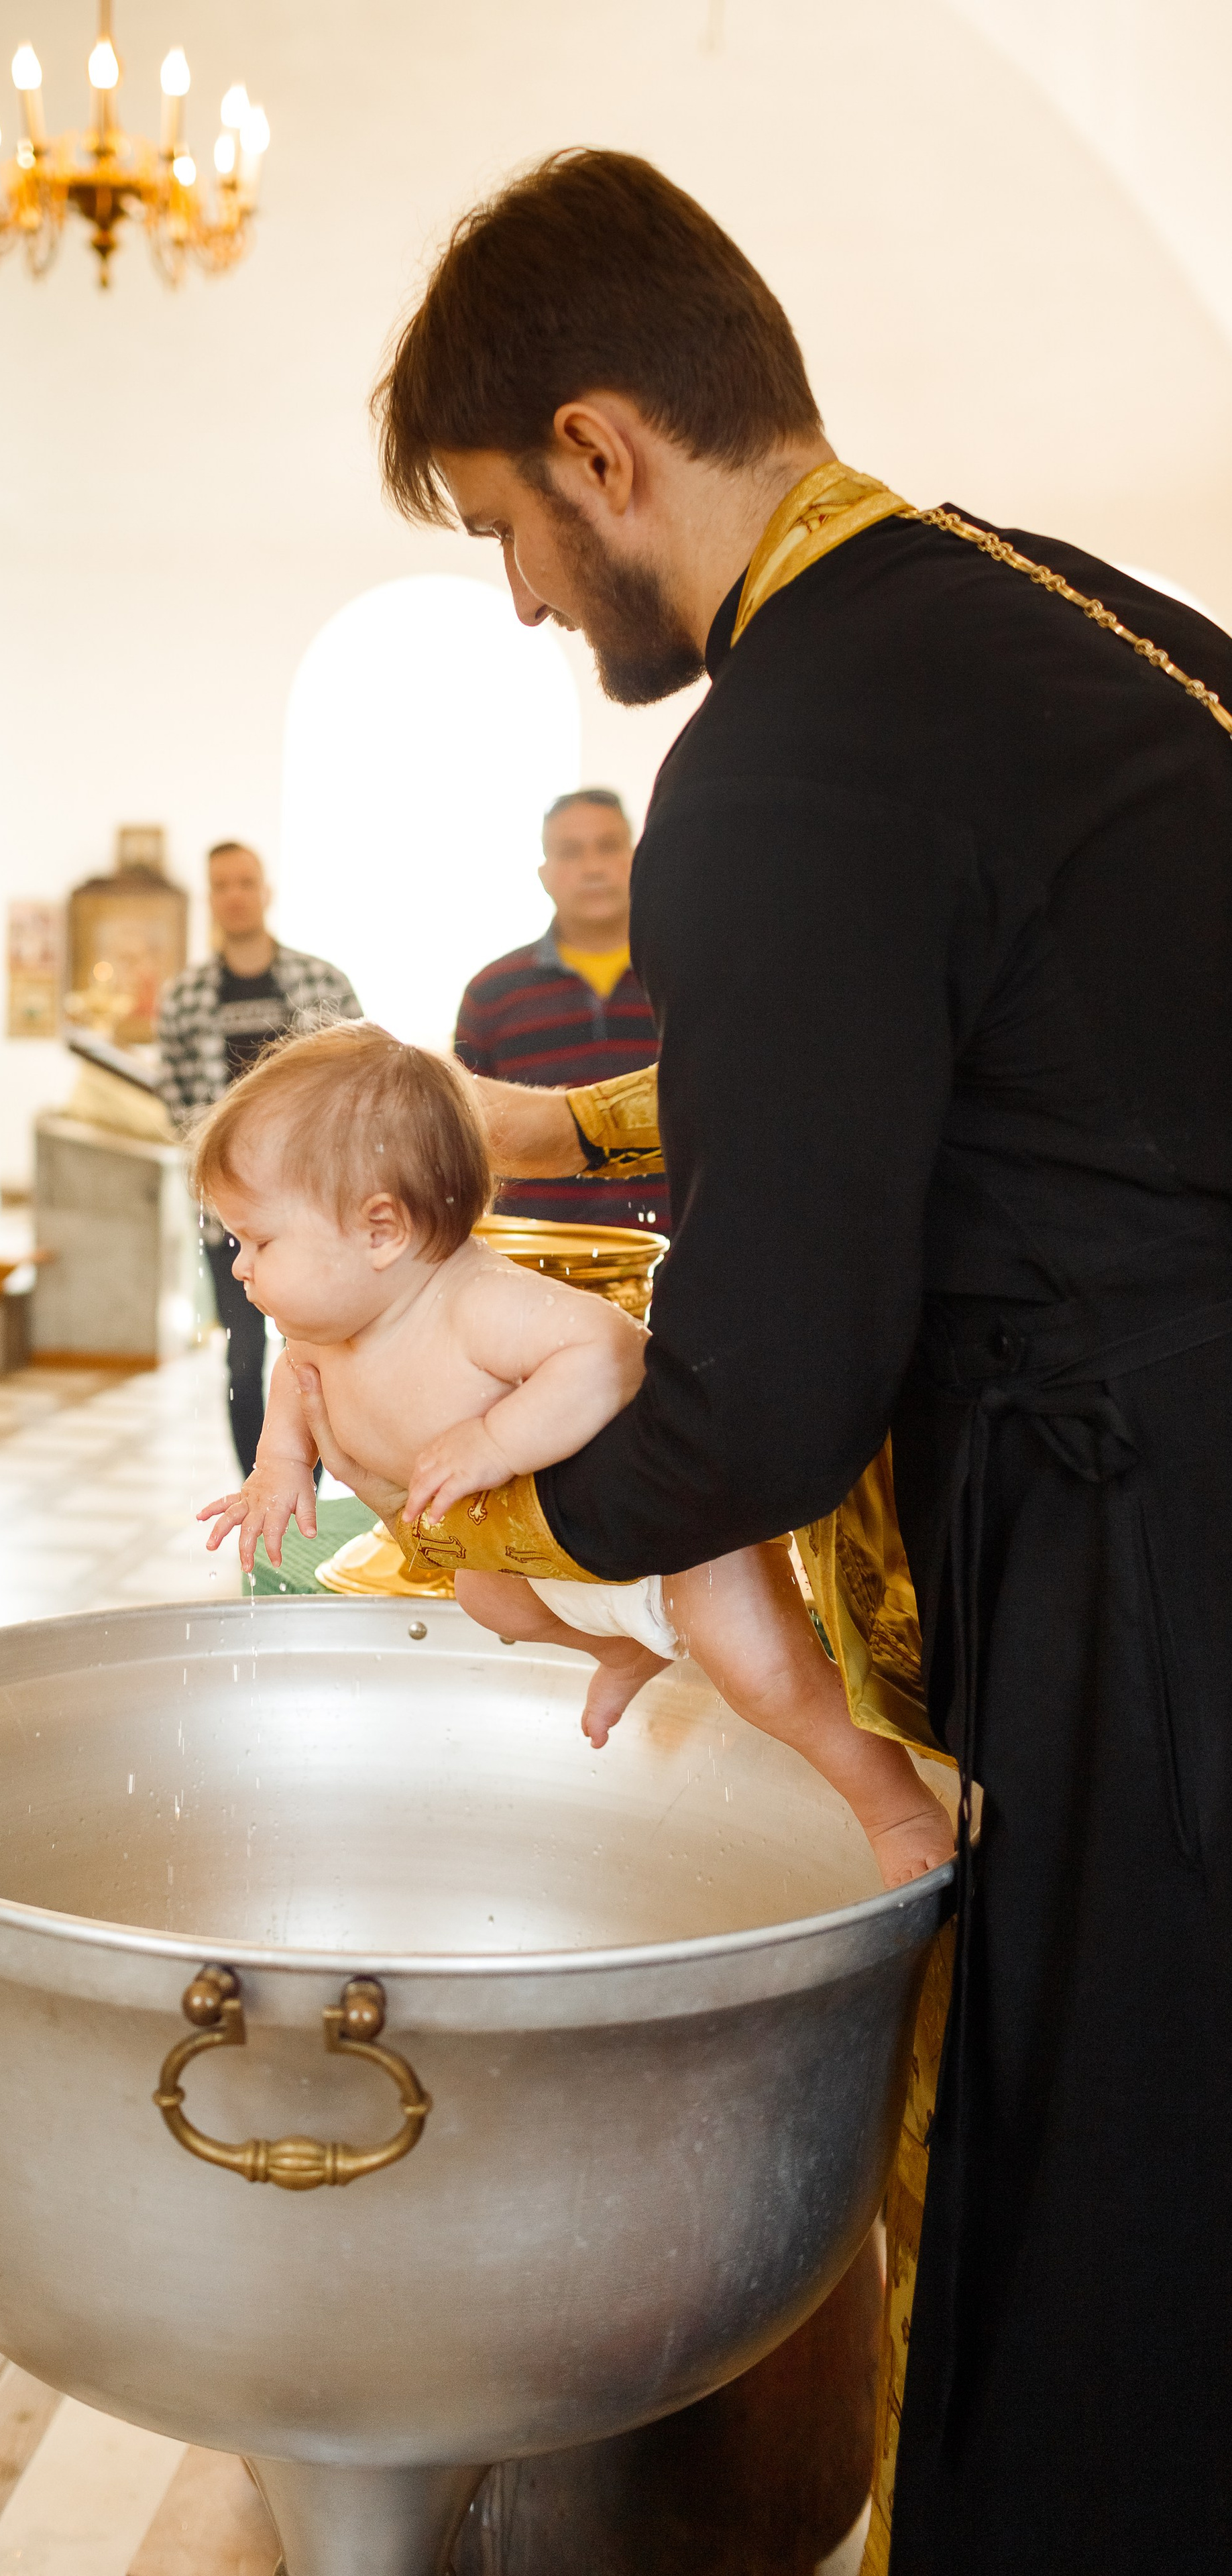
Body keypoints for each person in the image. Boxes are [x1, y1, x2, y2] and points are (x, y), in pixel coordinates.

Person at [306, 146, 1232, 2575]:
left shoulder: (778, 757)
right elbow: (981, 1034)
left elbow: (761, 1403)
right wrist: (555, 1120)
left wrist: (440, 1500)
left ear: (605, 449)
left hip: (1150, 1561)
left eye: (504, 522)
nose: (518, 596)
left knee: (1104, 2254)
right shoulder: (1028, 608)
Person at [192, 1021, 950, 1887]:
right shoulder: (325, 1330)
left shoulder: (475, 1303)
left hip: (664, 1529)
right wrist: (278, 1468)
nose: (241, 1267)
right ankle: (620, 1651)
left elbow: (609, 1352)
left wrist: (493, 1438)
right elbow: (298, 1386)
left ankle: (895, 1809)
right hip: (532, 1554)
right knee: (490, 1602)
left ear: (380, 1231)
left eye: (258, 1239)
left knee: (769, 1675)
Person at [156, 840, 358, 1475]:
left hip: (313, 1209)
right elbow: (180, 1103)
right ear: (210, 898)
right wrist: (230, 1173)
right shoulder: (184, 998)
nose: (234, 895)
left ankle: (311, 1487)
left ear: (266, 890)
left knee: (314, 1350)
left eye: (245, 882)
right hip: (230, 1216)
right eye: (221, 884)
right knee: (243, 1356)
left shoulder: (322, 983)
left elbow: (357, 1083)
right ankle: (260, 1482)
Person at [454, 789, 666, 1231]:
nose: (593, 867)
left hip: (684, 1245)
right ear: (544, 874)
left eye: (608, 846)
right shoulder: (492, 992)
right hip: (537, 1258)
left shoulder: (690, 976)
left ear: (638, 856)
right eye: (570, 852)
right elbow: (461, 1134)